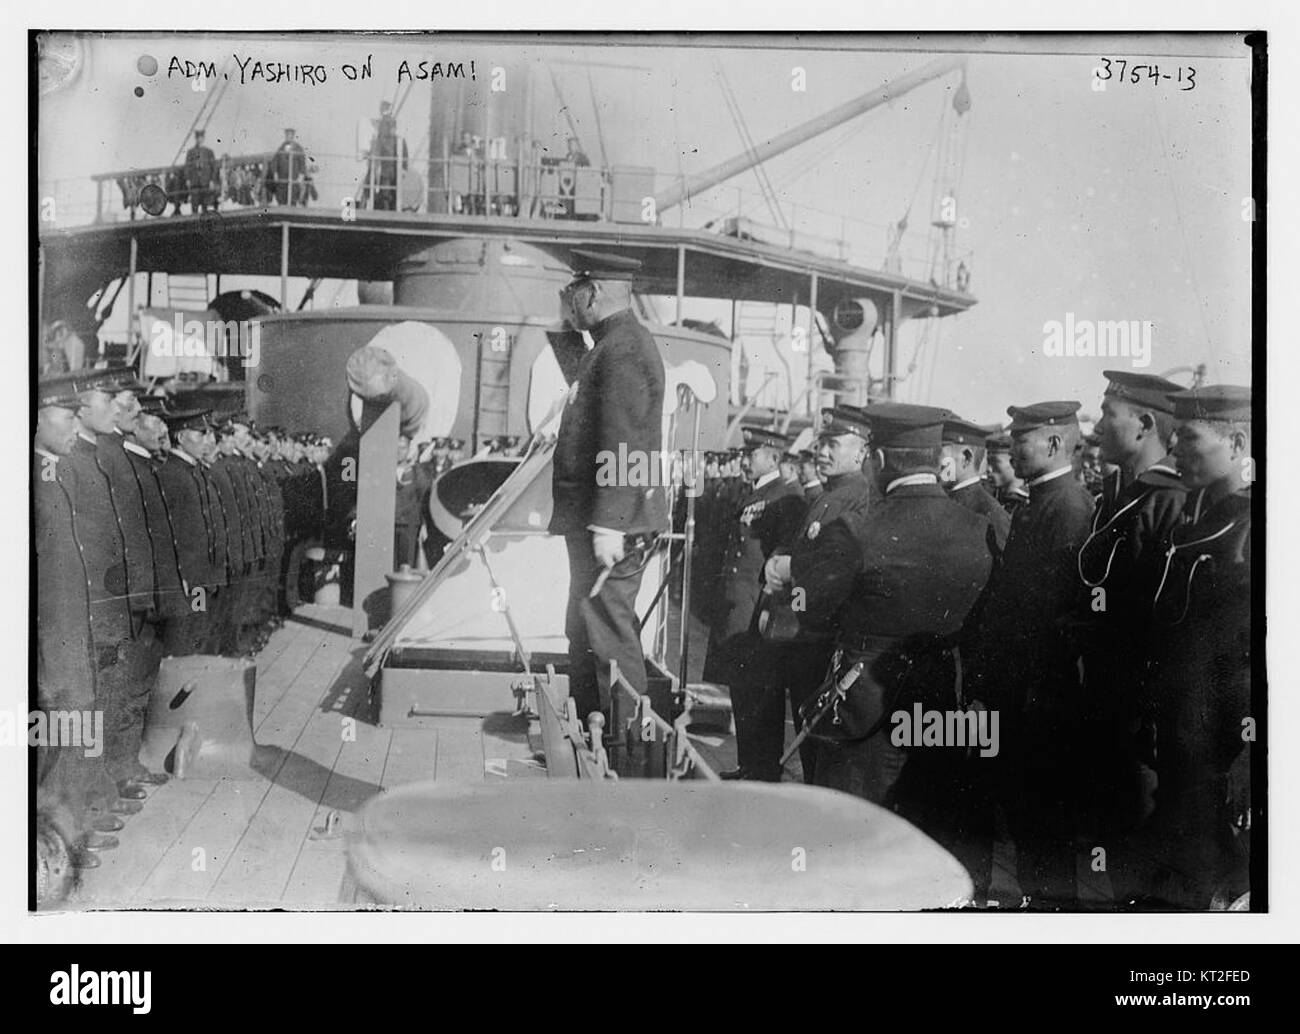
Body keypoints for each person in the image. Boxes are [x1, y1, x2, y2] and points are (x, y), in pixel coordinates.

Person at [789, 403, 993, 817]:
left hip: (862, 705)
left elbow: (810, 609)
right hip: (939, 702)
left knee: (850, 833)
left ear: (878, 459)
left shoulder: (857, 529)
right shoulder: (977, 528)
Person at [967, 400, 1096, 909]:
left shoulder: (1067, 508)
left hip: (1041, 695)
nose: (1013, 447)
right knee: (1030, 825)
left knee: (1044, 828)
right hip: (1023, 692)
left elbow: (1054, 614)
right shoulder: (1042, 503)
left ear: (1054, 444)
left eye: (1022, 439)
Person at [1139, 385, 1253, 909]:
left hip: (1222, 744)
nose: (1176, 449)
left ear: (1236, 441)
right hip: (1183, 735)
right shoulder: (1202, 515)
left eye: (1190, 437)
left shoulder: (1253, 527)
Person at [1076, 370, 1189, 882]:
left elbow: (1166, 620)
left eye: (1107, 414)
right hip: (1105, 701)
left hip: (1138, 713)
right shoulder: (1124, 495)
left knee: (1133, 856)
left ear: (1144, 424)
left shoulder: (1167, 499)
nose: (1096, 426)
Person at [550, 249, 668, 721]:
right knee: (585, 627)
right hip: (598, 523)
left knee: (608, 638)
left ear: (593, 293)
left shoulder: (621, 351)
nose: (568, 303)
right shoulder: (609, 346)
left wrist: (610, 523)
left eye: (573, 293)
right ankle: (591, 744)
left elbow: (625, 439)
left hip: (611, 526)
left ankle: (628, 759)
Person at [760, 405, 877, 784]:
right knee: (810, 743)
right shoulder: (831, 495)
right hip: (805, 638)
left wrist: (789, 573)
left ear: (860, 452)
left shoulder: (854, 497)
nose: (822, 452)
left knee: (820, 748)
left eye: (833, 444)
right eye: (821, 443)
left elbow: (830, 576)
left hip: (821, 642)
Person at [34, 377, 123, 867]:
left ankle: (65, 837)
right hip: (52, 641)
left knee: (72, 737)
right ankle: (54, 851)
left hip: (72, 630)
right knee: (57, 745)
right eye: (65, 416)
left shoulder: (56, 472)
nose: (73, 425)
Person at [705, 426, 808, 782]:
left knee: (762, 694)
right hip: (739, 608)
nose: (746, 459)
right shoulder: (758, 492)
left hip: (757, 610)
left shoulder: (787, 497)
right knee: (743, 692)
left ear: (774, 457)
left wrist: (767, 605)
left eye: (753, 454)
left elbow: (785, 553)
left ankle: (763, 771)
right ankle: (750, 765)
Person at [941, 416, 1011, 557]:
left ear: (966, 458)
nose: (936, 463)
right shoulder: (941, 500)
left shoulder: (991, 513)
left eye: (941, 455)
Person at [366, 101, 409, 211]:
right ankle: (387, 208)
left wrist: (404, 168)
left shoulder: (398, 141)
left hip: (393, 169)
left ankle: (390, 208)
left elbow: (404, 155)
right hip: (387, 169)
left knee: (393, 192)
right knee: (386, 192)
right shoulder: (382, 140)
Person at [984, 431, 1029, 517]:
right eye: (988, 462)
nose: (988, 469)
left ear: (1014, 462)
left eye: (995, 462)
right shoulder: (991, 497)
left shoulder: (1025, 502)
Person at [269, 128, 308, 206]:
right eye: (287, 135)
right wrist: (275, 173)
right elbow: (275, 160)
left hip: (294, 175)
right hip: (282, 175)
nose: (288, 137)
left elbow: (302, 162)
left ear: (293, 136)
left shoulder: (298, 148)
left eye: (290, 135)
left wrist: (301, 175)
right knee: (281, 192)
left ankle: (292, 206)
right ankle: (281, 206)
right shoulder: (281, 148)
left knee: (293, 191)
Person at [184, 129, 219, 214]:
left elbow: (214, 167)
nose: (199, 139)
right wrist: (188, 179)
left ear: (203, 138)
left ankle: (204, 222)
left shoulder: (209, 152)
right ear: (195, 139)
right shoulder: (190, 152)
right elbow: (187, 166)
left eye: (201, 138)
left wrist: (212, 180)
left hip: (205, 181)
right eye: (198, 138)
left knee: (205, 204)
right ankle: (194, 222)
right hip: (194, 181)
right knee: (194, 204)